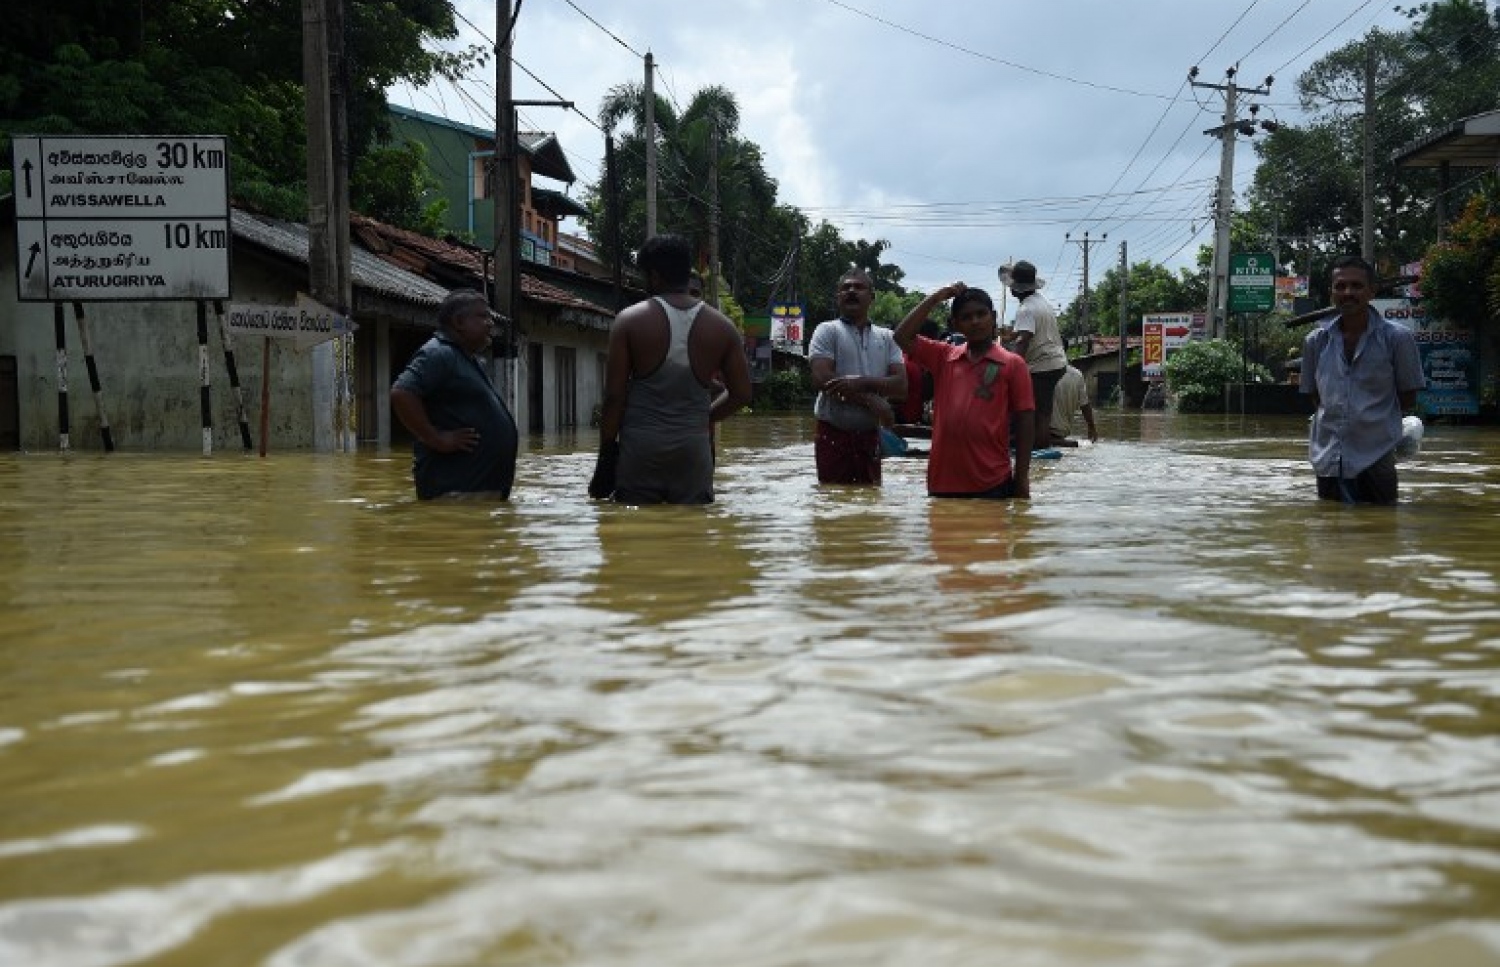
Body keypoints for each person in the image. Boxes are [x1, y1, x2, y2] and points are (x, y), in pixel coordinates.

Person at [590, 234, 751, 504]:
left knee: (634, 533)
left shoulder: (629, 321)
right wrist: (705, 418)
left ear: (653, 276)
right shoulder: (723, 327)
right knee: (692, 536)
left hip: (640, 450)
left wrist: (606, 451)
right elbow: (742, 394)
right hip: (693, 450)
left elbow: (614, 397)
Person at [1300, 254, 1425, 505]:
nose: (1348, 292)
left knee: (1381, 531)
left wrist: (1370, 424)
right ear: (1332, 292)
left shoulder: (1397, 339)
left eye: (1356, 286)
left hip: (1376, 460)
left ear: (1371, 291)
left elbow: (1408, 396)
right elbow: (1316, 397)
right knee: (1328, 532)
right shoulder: (1316, 341)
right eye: (1340, 286)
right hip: (1328, 461)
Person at [893, 283, 1034, 499]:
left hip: (992, 481)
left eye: (981, 314)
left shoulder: (1013, 364)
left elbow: (1025, 420)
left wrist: (1022, 478)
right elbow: (901, 337)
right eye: (966, 317)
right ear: (956, 324)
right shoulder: (943, 356)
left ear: (993, 317)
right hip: (943, 482)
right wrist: (935, 299)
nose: (975, 321)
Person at [390, 289, 519, 500]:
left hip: (477, 495)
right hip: (455, 494)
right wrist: (437, 438)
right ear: (459, 321)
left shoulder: (468, 359)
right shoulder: (439, 353)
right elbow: (402, 392)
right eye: (482, 316)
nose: (490, 323)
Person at [807, 268, 907, 484]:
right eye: (846, 288)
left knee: (870, 501)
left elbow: (900, 386)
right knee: (832, 502)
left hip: (870, 435)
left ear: (872, 297)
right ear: (838, 297)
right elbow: (822, 378)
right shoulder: (827, 330)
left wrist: (860, 383)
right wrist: (871, 400)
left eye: (859, 287)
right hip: (833, 433)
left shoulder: (888, 337)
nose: (851, 291)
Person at [1006, 260, 1068, 453]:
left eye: (1012, 286)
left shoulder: (1025, 309)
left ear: (1017, 288)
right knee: (1043, 411)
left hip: (1042, 366)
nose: (1010, 290)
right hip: (1056, 363)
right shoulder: (1042, 302)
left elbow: (1023, 341)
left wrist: (1009, 369)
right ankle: (1041, 446)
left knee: (1033, 412)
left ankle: (1039, 449)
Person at [1050, 364, 1098, 446]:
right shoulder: (1077, 375)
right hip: (1061, 433)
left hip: (1042, 433)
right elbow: (1085, 404)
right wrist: (1091, 427)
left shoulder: (1036, 372)